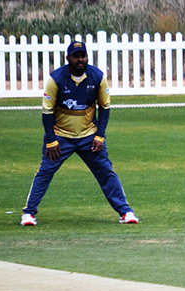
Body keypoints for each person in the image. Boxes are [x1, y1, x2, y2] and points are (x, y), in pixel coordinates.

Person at [21, 41, 138, 226]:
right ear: (68, 58)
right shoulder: (56, 78)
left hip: (89, 137)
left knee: (106, 172)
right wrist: (51, 140)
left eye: (83, 55)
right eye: (76, 56)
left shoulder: (97, 76)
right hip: (60, 137)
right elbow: (47, 111)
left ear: (87, 57)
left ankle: (126, 212)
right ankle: (28, 214)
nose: (80, 59)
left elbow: (104, 107)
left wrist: (100, 136)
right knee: (45, 172)